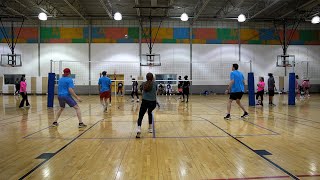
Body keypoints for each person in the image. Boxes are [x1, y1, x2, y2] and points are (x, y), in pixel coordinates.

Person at [136, 73, 157, 138]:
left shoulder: (143, 83)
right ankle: (150, 128)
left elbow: (140, 90)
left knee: (141, 116)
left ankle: (139, 129)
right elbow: (156, 90)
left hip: (145, 101)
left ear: (146, 77)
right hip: (153, 102)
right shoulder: (155, 84)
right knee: (150, 113)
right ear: (152, 77)